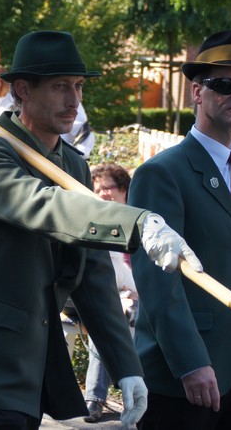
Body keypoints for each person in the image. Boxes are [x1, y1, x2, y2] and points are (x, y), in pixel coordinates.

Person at [0, 30, 202, 429]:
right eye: (59, 87)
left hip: (32, 364)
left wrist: (126, 367)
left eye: (78, 86)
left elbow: (92, 272)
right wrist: (135, 222)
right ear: (23, 89)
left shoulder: (73, 165)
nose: (74, 100)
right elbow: (40, 204)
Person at [128, 30, 231, 430]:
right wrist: (190, 362)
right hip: (188, 369)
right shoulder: (162, 172)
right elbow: (157, 281)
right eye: (224, 84)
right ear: (197, 92)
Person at [83, 163, 139, 424]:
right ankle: (94, 399)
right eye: (97, 189)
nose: (102, 194)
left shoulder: (139, 221)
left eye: (108, 188)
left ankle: (132, 401)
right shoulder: (94, 223)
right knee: (104, 318)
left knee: (127, 315)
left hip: (139, 299)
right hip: (107, 297)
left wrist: (135, 295)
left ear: (124, 189)